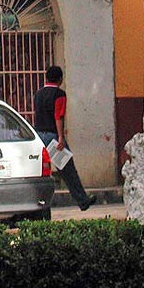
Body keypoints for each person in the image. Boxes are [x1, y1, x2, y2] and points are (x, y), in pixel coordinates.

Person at [33, 65, 97, 211]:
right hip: (53, 138)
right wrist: (61, 137)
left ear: (46, 78)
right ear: (60, 79)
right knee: (68, 171)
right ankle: (82, 200)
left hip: (38, 137)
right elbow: (58, 116)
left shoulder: (38, 94)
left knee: (39, 173)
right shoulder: (59, 94)